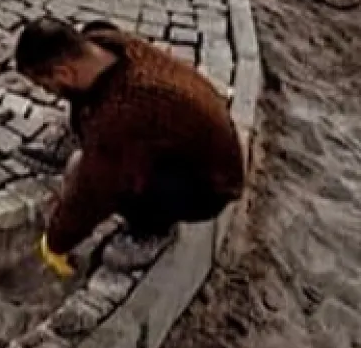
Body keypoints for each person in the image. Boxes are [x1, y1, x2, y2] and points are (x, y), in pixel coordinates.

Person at [15, 16, 245, 277]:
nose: (48, 92)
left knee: (115, 173)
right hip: (189, 138)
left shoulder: (123, 110)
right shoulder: (101, 40)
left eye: (46, 86)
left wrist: (56, 242)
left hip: (211, 185)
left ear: (65, 73)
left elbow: (93, 191)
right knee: (93, 120)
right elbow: (87, 99)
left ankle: (153, 229)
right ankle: (82, 142)